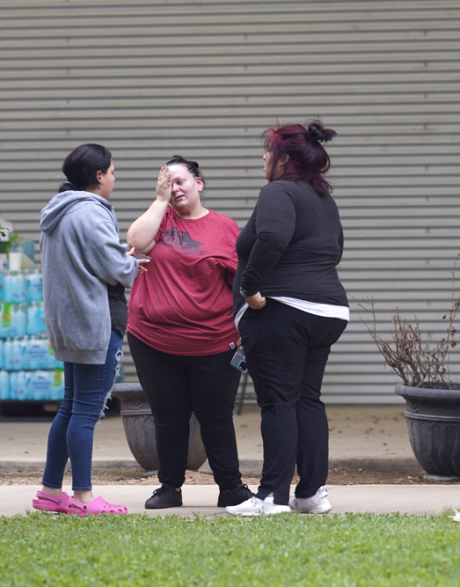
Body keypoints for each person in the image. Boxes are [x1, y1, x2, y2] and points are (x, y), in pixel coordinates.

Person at [226, 120, 349, 517]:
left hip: (283, 311)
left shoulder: (277, 192)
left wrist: (249, 288)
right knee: (306, 401)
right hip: (327, 311)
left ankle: (272, 498)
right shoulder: (322, 199)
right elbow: (335, 249)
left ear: (285, 160)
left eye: (269, 151)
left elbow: (273, 238)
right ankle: (312, 494)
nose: (264, 157)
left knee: (279, 402)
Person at [126, 155, 254, 510]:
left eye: (180, 181)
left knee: (216, 416)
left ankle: (231, 487)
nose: (175, 187)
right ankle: (169, 487)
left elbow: (245, 283)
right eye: (167, 181)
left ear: (199, 183)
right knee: (168, 415)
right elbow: (135, 243)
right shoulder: (159, 219)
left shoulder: (226, 229)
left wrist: (245, 329)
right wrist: (160, 200)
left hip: (213, 342)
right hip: (152, 339)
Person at [32, 143, 147, 516]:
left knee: (69, 408)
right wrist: (130, 263)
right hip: (94, 324)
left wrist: (116, 258)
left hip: (69, 324)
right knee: (85, 412)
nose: (115, 179)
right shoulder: (91, 213)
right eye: (113, 172)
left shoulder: (57, 211)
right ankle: (83, 497)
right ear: (98, 176)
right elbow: (114, 268)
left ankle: (50, 491)